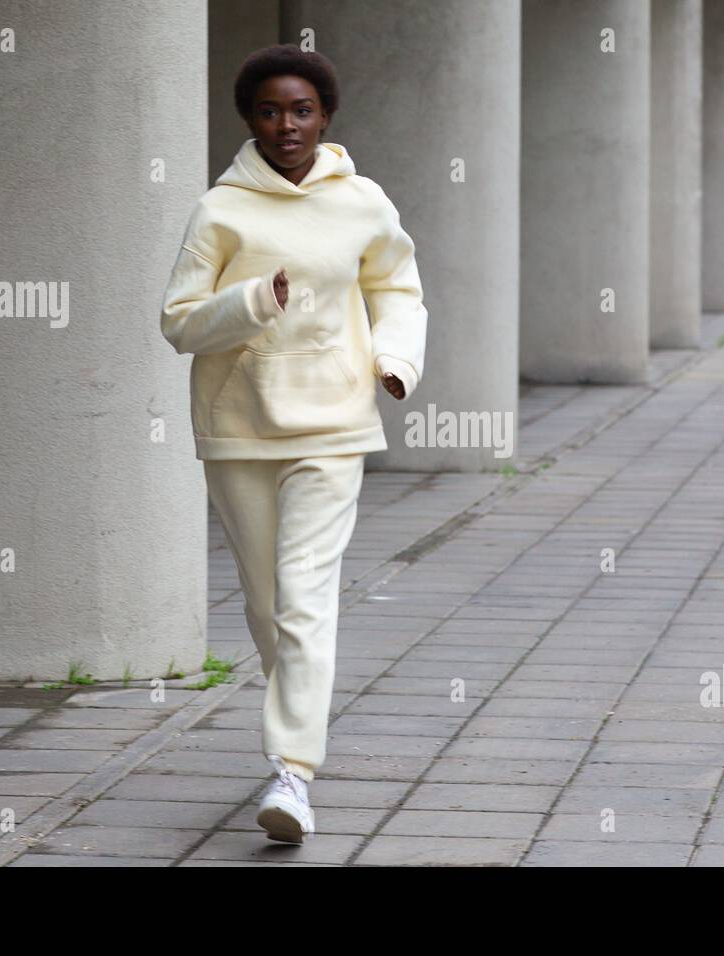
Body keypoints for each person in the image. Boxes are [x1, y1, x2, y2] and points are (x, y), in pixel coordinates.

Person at [158, 43, 427, 844]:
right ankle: (296, 736)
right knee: (268, 605)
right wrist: (248, 301)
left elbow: (398, 290)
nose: (287, 125)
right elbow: (177, 321)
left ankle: (291, 774)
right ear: (250, 118)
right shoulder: (220, 210)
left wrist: (394, 359)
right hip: (239, 428)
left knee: (307, 596)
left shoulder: (363, 202)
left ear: (326, 116)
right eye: (271, 111)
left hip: (335, 421)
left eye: (301, 110)